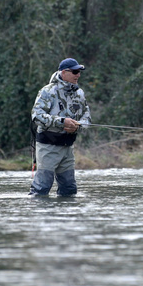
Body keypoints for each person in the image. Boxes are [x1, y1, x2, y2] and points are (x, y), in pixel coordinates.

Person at [29, 58, 92, 196]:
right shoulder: (48, 91)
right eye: (75, 71)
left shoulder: (79, 93)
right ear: (64, 72)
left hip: (67, 147)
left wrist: (78, 126)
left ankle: (67, 217)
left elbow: (87, 118)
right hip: (47, 146)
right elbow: (36, 116)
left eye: (79, 72)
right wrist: (62, 122)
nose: (78, 75)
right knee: (41, 189)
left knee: (69, 190)